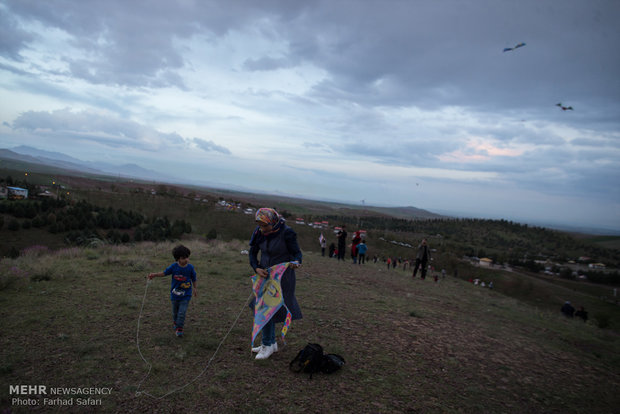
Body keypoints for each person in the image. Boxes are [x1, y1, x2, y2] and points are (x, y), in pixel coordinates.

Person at [249, 208, 302, 360]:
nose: (262, 229)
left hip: (282, 278)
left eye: (265, 225)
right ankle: (270, 344)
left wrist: (296, 262)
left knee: (268, 308)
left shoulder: (287, 233)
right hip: (265, 276)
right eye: (260, 225)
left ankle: (267, 345)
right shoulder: (259, 232)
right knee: (265, 308)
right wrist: (256, 267)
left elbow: (297, 253)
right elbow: (252, 252)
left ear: (274, 221)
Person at [148, 244, 198, 338]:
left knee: (182, 312)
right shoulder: (174, 267)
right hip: (175, 295)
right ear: (178, 258)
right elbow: (164, 273)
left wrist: (195, 288)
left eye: (187, 257)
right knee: (175, 312)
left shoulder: (190, 268)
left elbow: (194, 278)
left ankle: (179, 328)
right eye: (184, 258)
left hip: (186, 295)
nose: (186, 260)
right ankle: (175, 322)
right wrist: (154, 275)